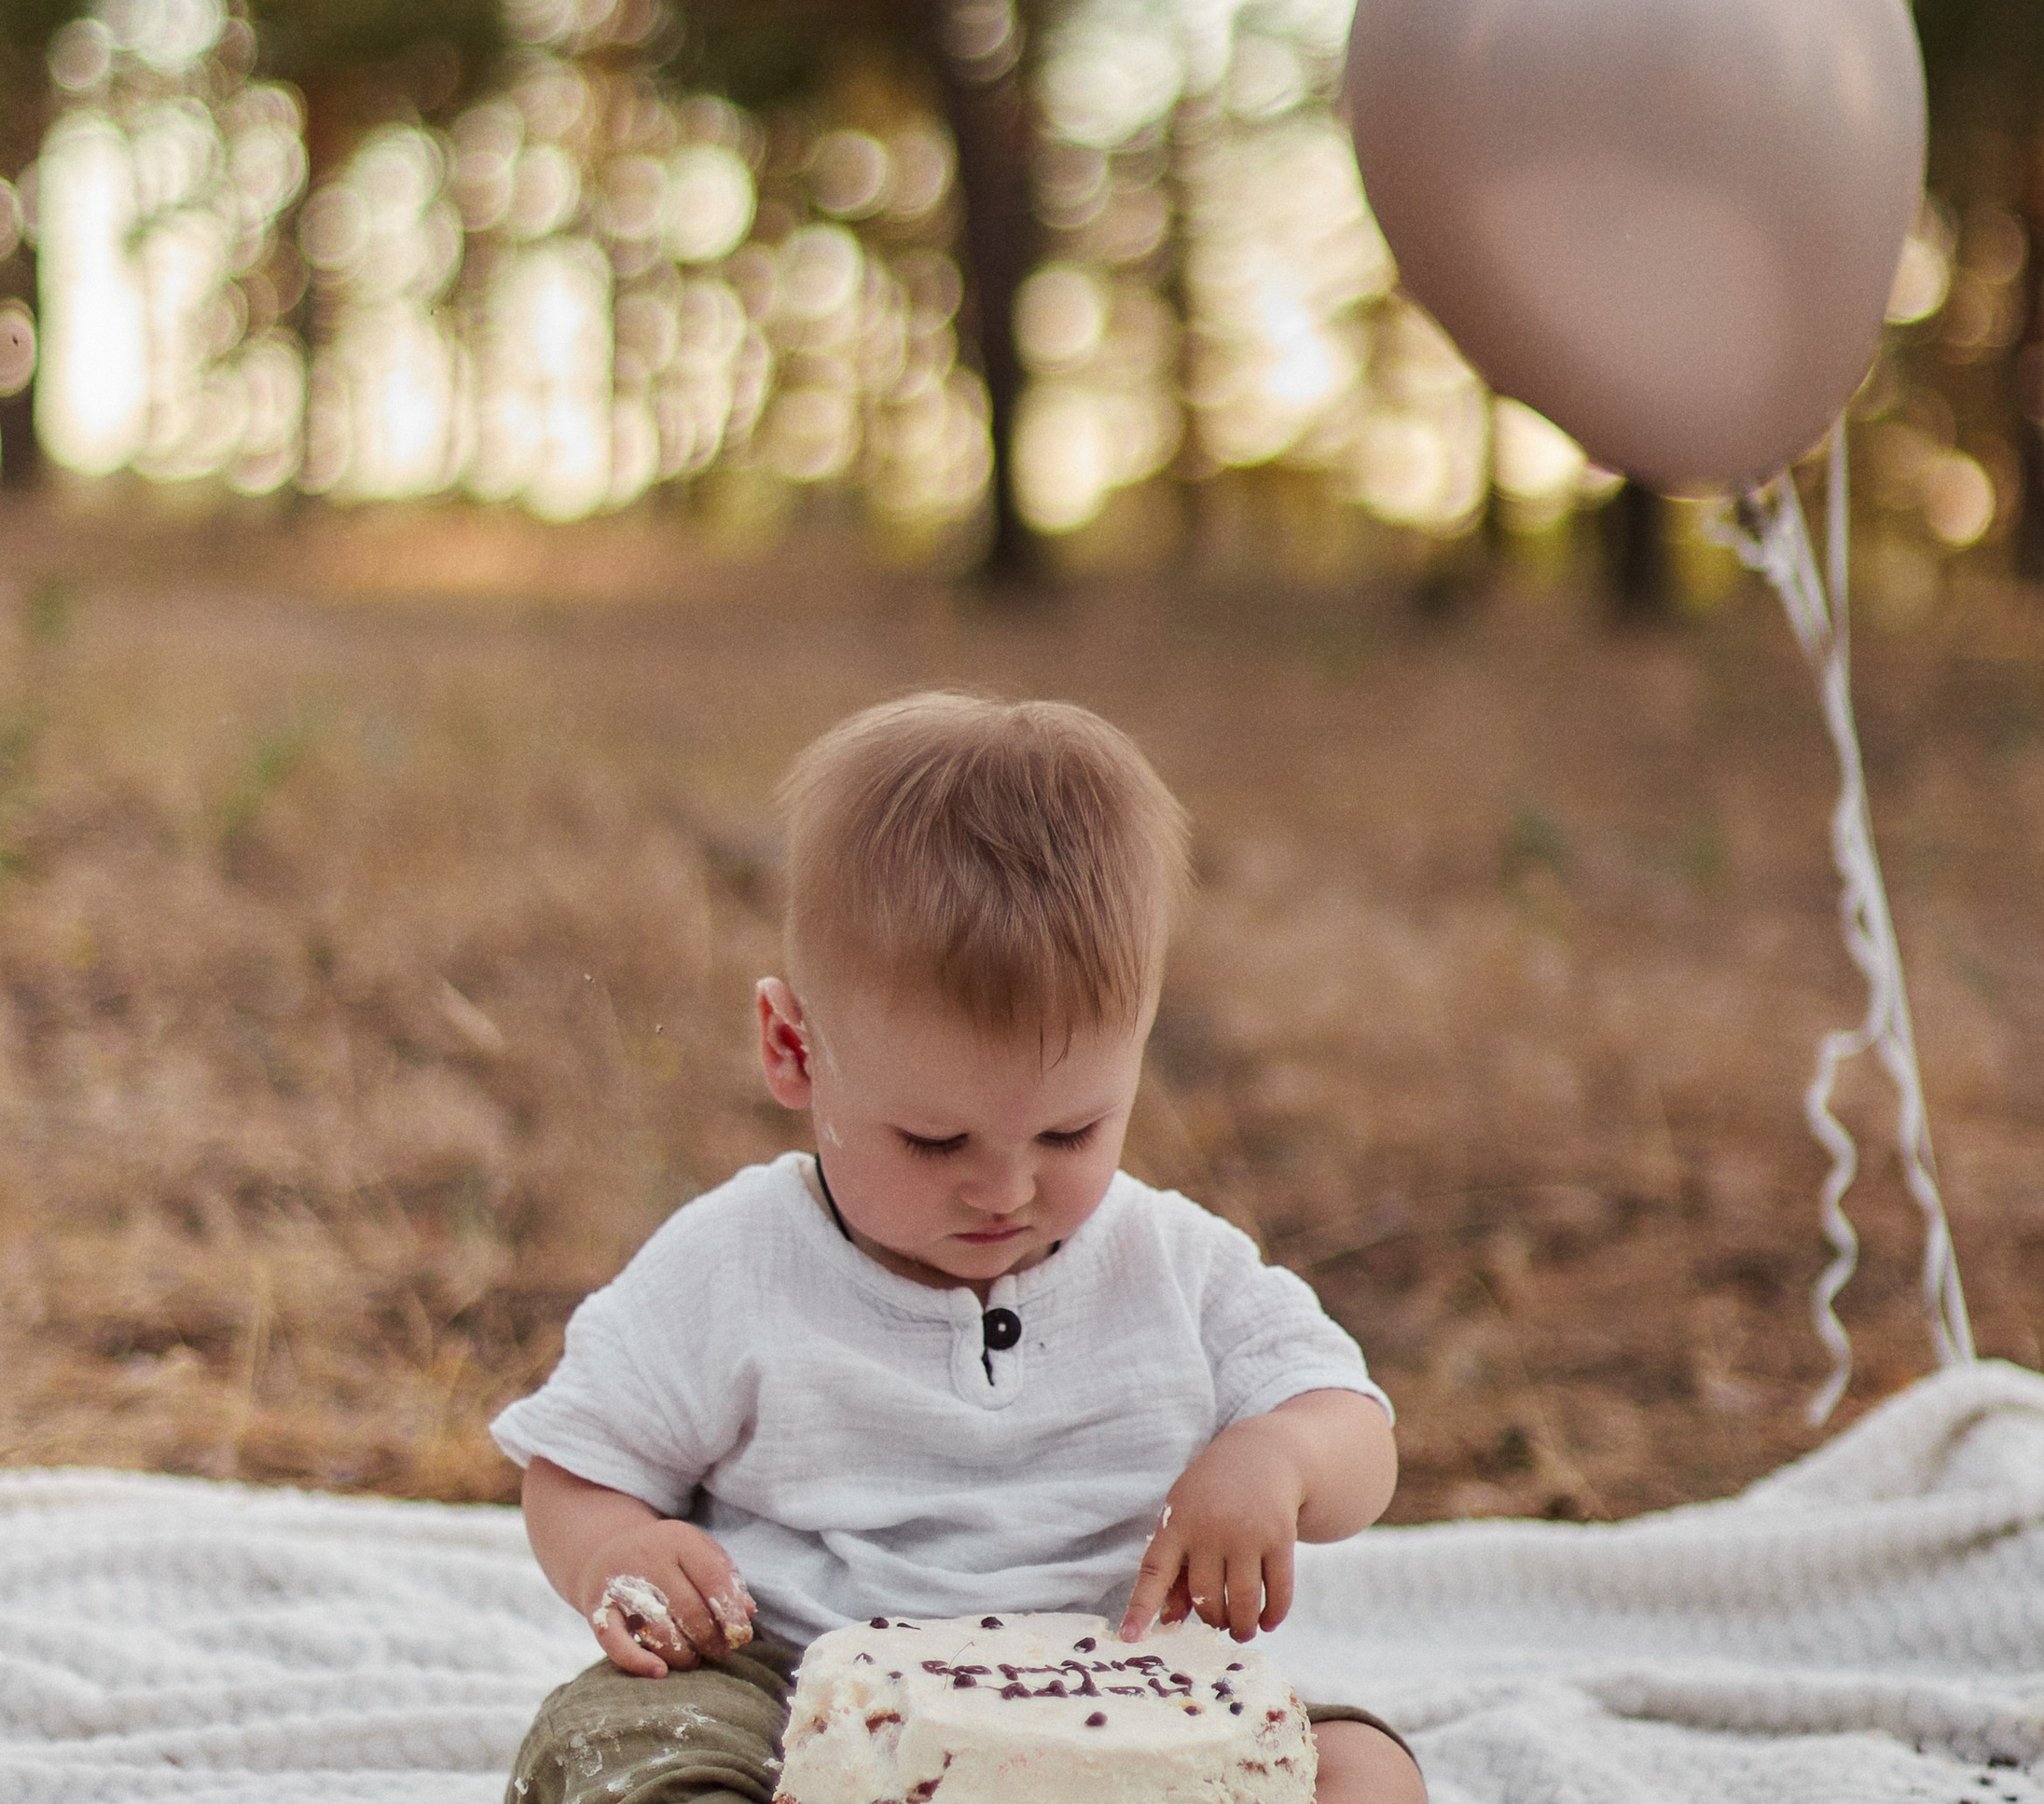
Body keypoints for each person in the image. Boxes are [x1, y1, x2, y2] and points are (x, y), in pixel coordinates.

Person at [494, 690, 1426, 1804]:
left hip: (1119, 1691)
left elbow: (1353, 1429)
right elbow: (576, 1469)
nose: (1007, 1187)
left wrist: (1277, 1460)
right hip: (790, 1685)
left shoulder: (1174, 1265)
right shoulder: (735, 1262)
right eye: (935, 1139)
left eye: (1070, 1130)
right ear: (795, 1050)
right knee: (610, 1743)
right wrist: (614, 1554)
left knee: (1364, 1767)